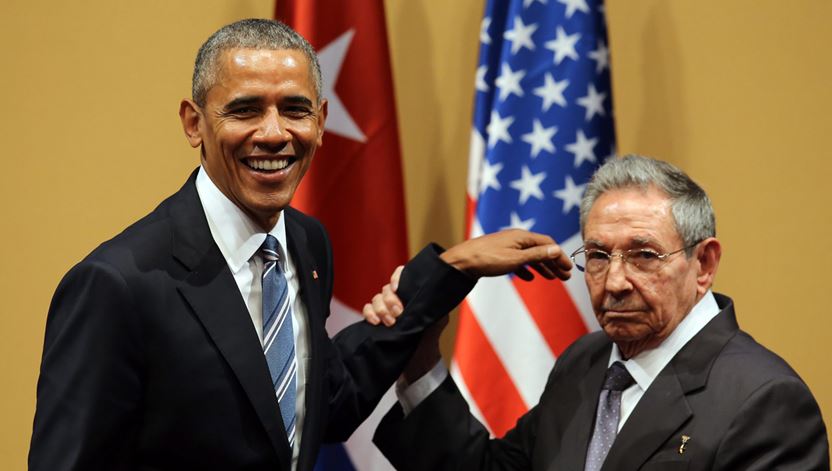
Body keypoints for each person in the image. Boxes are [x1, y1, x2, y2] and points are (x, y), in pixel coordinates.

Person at [28, 18, 573, 471]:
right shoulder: (115, 285)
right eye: (244, 110)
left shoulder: (307, 243)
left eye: (294, 109)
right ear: (193, 123)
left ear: (320, 120)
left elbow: (322, 405)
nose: (273, 133)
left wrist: (451, 268)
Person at [365, 155, 830, 470]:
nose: (614, 282)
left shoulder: (766, 401)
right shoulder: (586, 362)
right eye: (600, 255)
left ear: (703, 263)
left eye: (644, 255)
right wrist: (420, 357)